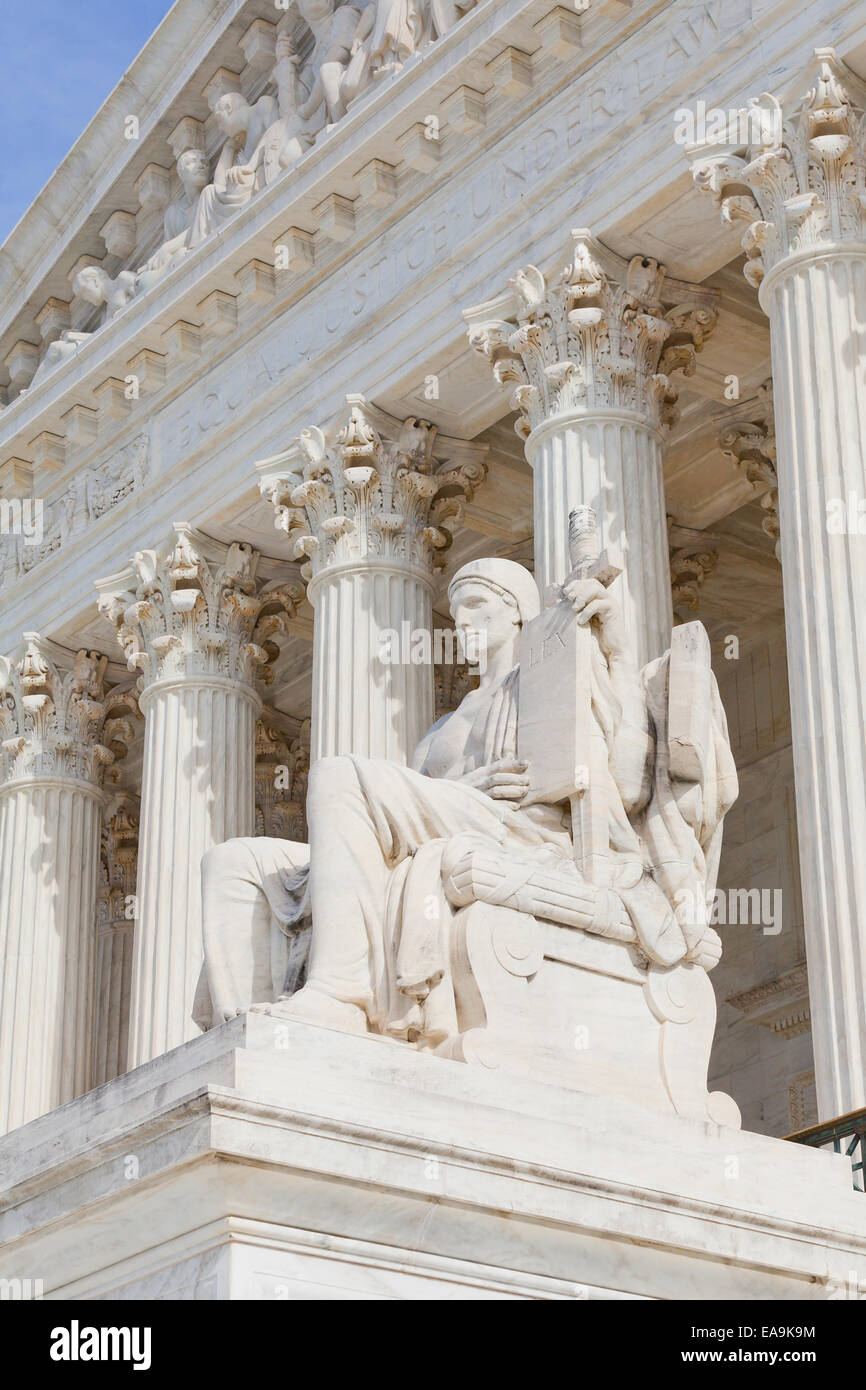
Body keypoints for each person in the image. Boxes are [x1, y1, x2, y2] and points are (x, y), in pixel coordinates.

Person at [197, 556, 680, 1042]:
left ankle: (342, 993)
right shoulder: (438, 732)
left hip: (518, 829)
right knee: (235, 861)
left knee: (338, 775)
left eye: (476, 604)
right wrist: (459, 791)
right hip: (457, 816)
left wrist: (614, 655)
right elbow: (394, 821)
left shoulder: (546, 681)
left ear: (517, 611)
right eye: (457, 609)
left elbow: (628, 784)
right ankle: (248, 1034)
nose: (462, 620)